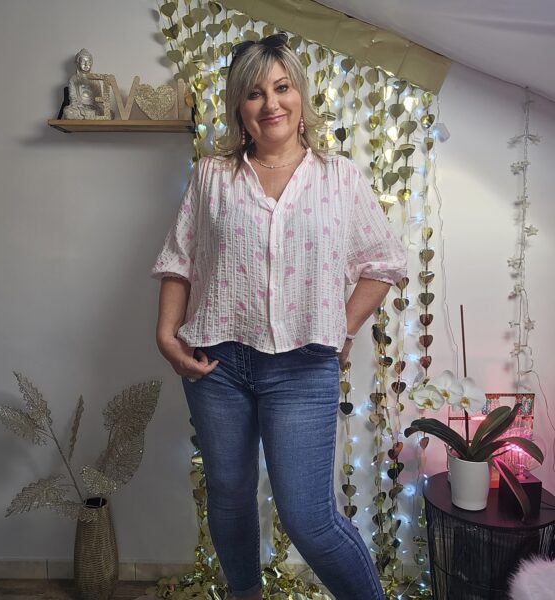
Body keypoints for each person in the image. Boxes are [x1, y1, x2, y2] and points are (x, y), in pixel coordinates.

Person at [153, 32, 406, 600]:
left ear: (299, 95)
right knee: (229, 496)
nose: (271, 103)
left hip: (303, 366)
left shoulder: (339, 177)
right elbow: (179, 260)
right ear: (239, 107)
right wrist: (166, 335)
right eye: (254, 93)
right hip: (216, 365)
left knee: (309, 518)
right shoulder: (212, 177)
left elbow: (384, 262)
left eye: (282, 87)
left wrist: (341, 327)